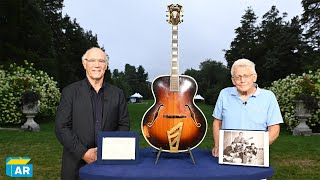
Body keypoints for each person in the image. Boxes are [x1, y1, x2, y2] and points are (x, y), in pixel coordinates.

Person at [55, 47, 130, 179]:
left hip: (108, 164)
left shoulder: (117, 94)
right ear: (84, 64)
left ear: (106, 66)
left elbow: (123, 125)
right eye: (92, 60)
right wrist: (83, 153)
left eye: (101, 61)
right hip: (75, 163)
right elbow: (61, 127)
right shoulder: (70, 92)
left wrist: (107, 151)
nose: (97, 65)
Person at [211, 58, 283, 157]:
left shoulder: (268, 97)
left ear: (254, 77)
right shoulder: (224, 94)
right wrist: (218, 145)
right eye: (238, 77)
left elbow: (274, 127)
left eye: (246, 76)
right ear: (233, 80)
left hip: (253, 154)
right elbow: (217, 122)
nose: (242, 80)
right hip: (229, 154)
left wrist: (260, 146)